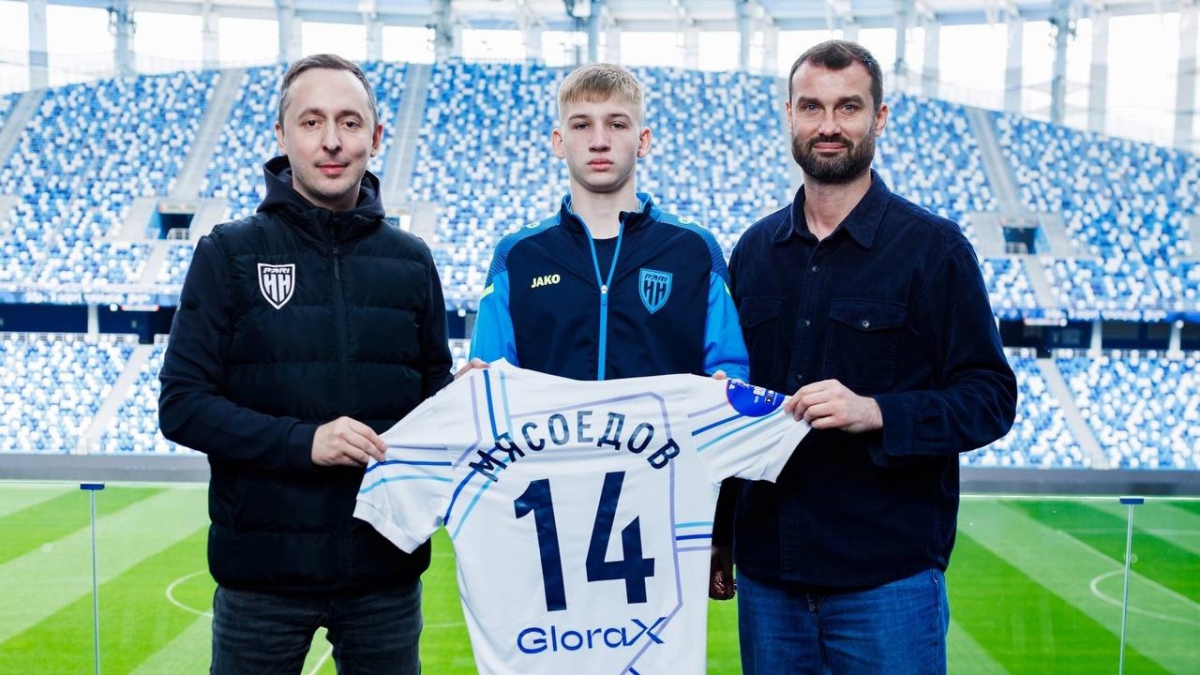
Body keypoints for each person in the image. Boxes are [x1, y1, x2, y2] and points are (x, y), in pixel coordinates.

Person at [711, 40, 1018, 675]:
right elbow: (732, 408)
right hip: (769, 579)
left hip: (887, 583)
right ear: (789, 115)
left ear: (879, 118)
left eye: (848, 107)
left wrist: (876, 412)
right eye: (811, 107)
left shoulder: (934, 250)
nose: (828, 125)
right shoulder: (754, 250)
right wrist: (720, 534)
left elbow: (991, 399)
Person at [159, 53, 452, 674]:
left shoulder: (412, 259)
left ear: (376, 137)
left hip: (384, 574)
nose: (331, 141)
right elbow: (182, 405)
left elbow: (433, 398)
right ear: (282, 135)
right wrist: (305, 442)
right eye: (312, 121)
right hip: (261, 581)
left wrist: (468, 401)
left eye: (349, 122)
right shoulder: (229, 252)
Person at [467, 63, 748, 382]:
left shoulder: (695, 249)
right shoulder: (517, 254)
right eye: (581, 125)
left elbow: (730, 370)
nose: (599, 141)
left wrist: (728, 386)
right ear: (559, 142)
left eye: (616, 124)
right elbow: (490, 378)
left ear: (643, 140)